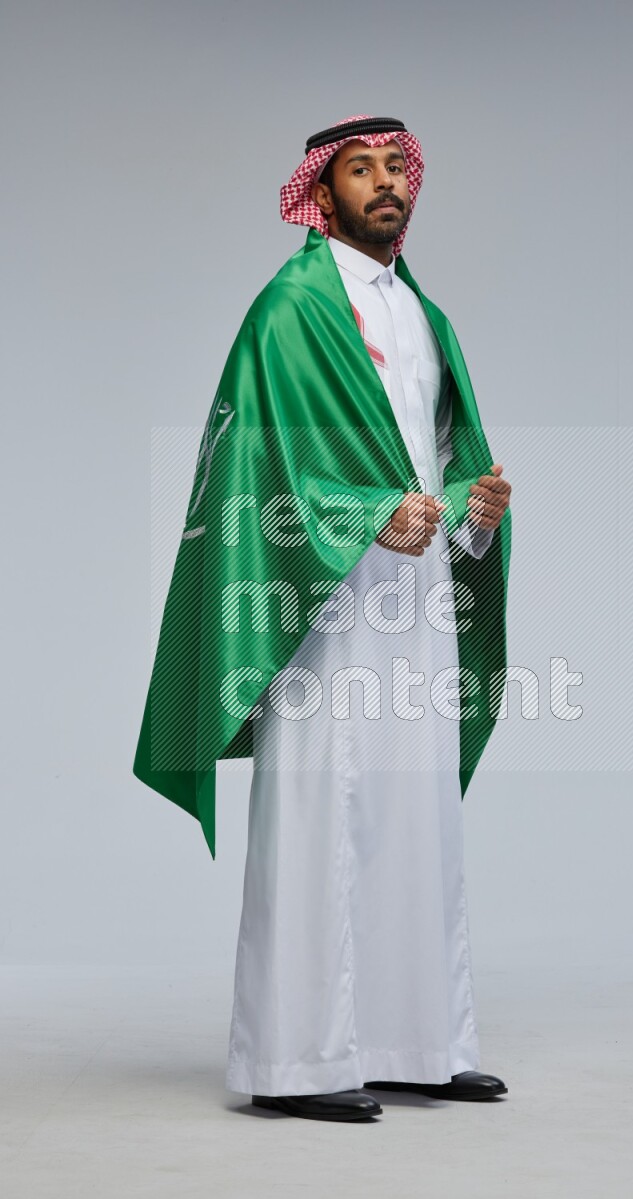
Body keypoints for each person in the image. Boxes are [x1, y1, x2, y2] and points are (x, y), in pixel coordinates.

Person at [133, 114, 512, 1124]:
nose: (384, 183)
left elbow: (443, 459)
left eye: (396, 166)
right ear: (321, 190)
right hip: (316, 611)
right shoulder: (291, 309)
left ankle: (418, 1041)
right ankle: (293, 1059)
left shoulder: (425, 316)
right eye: (359, 168)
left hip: (416, 608)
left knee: (414, 818)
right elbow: (261, 469)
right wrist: (360, 514)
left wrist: (473, 509)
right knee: (315, 819)